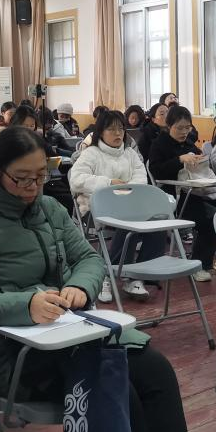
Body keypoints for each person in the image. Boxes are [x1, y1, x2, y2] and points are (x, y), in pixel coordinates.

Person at [0, 127, 203, 432]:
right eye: (22, 179)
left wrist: (81, 285)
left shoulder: (48, 209)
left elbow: (89, 259)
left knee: (156, 368)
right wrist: (24, 305)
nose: (33, 188)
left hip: (73, 333)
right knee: (115, 386)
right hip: (14, 354)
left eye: (40, 176)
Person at [69, 110, 164, 302]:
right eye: (111, 129)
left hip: (129, 206)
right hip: (96, 209)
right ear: (100, 132)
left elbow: (141, 178)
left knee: (158, 223)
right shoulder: (91, 153)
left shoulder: (130, 153)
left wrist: (127, 191)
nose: (118, 133)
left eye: (121, 128)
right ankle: (107, 274)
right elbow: (76, 180)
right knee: (129, 222)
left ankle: (137, 277)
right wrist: (109, 183)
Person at [149, 106, 216, 281]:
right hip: (173, 197)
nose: (184, 132)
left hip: (194, 193)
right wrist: (179, 160)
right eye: (179, 128)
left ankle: (213, 260)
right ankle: (199, 265)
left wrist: (201, 160)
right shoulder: (159, 144)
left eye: (188, 127)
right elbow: (156, 171)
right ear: (169, 125)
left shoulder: (189, 144)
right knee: (209, 220)